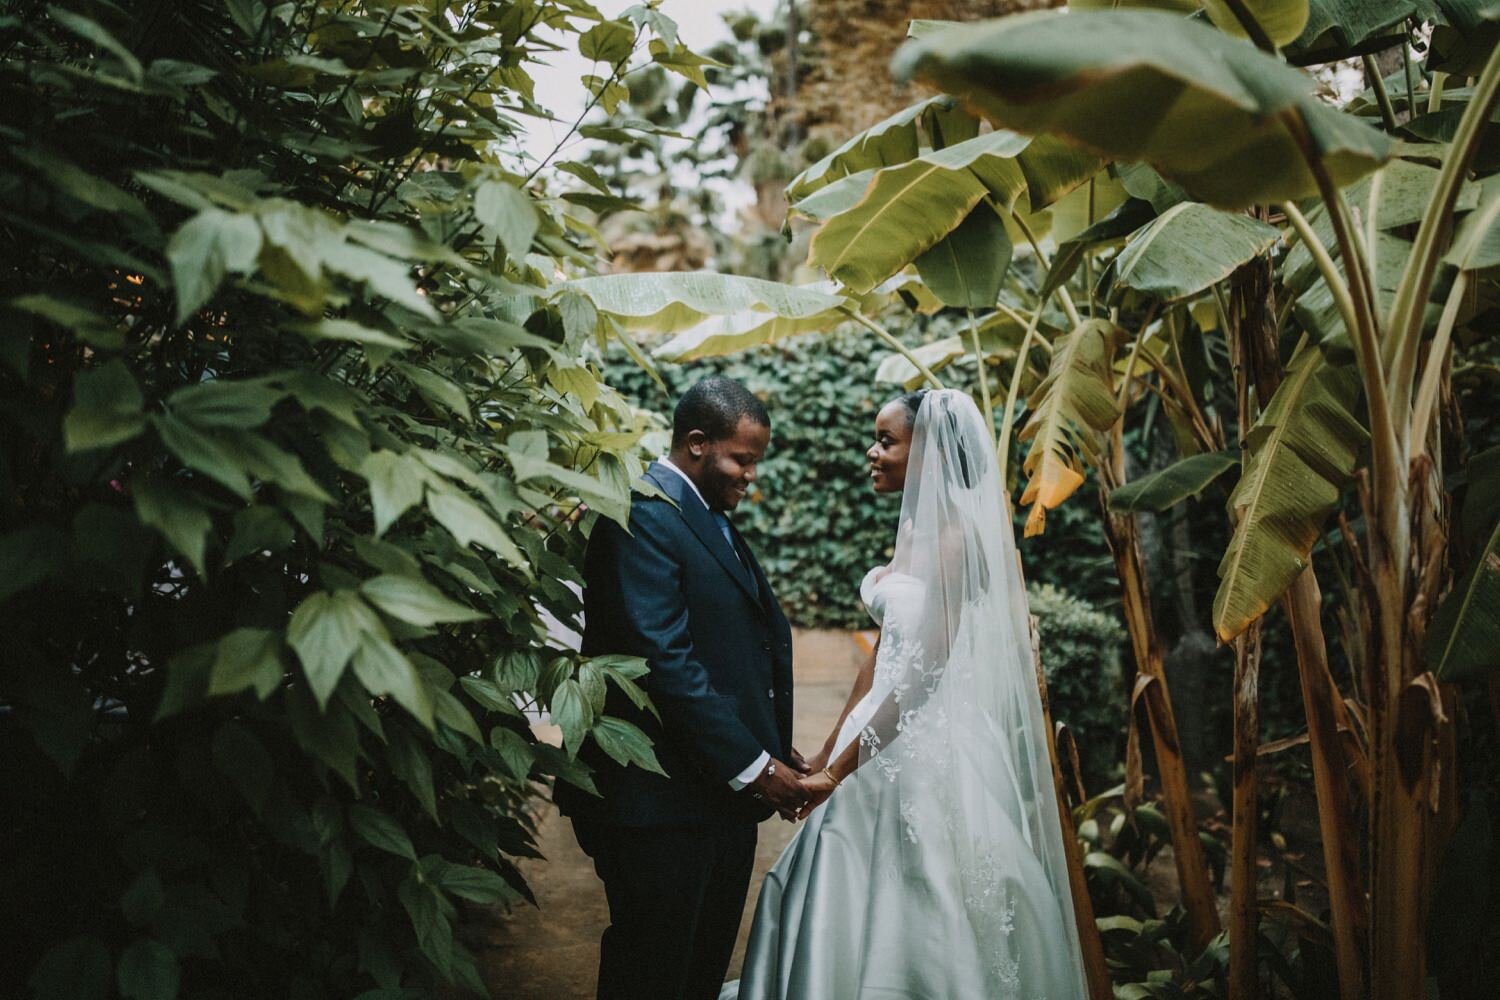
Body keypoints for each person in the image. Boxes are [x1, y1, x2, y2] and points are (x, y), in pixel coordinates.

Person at [724, 388, 1089, 999]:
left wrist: (835, 776)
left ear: (932, 455)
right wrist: (828, 749)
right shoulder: (916, 525)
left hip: (926, 748)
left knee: (931, 893)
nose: (872, 452)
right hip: (876, 735)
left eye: (887, 440)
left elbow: (920, 679)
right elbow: (884, 658)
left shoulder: (954, 543)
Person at [556, 376, 810, 1000]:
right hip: (659, 804)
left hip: (713, 796)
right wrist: (755, 766)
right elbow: (663, 659)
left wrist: (770, 745)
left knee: (698, 968)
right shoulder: (642, 513)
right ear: (697, 443)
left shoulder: (704, 513)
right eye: (742, 459)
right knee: (653, 968)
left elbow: (732, 647)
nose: (751, 475)